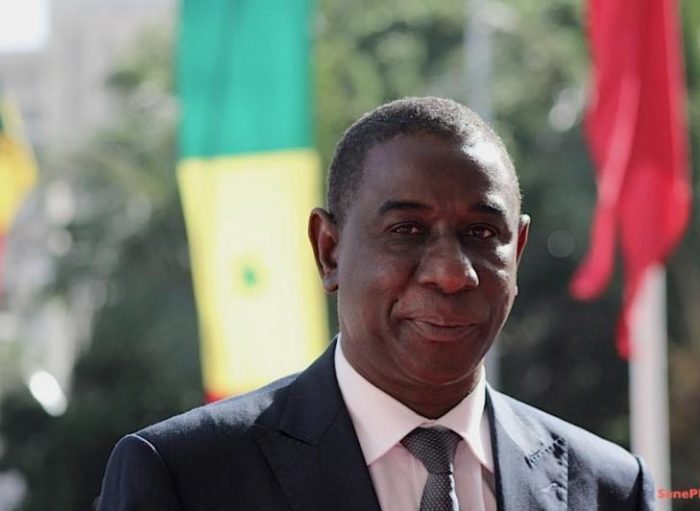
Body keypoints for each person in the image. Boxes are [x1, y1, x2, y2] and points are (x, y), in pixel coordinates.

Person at [96, 97, 654, 510]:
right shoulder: (185, 476)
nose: (451, 274)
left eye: (482, 234)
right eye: (407, 230)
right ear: (329, 250)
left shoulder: (608, 488)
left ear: (519, 251)